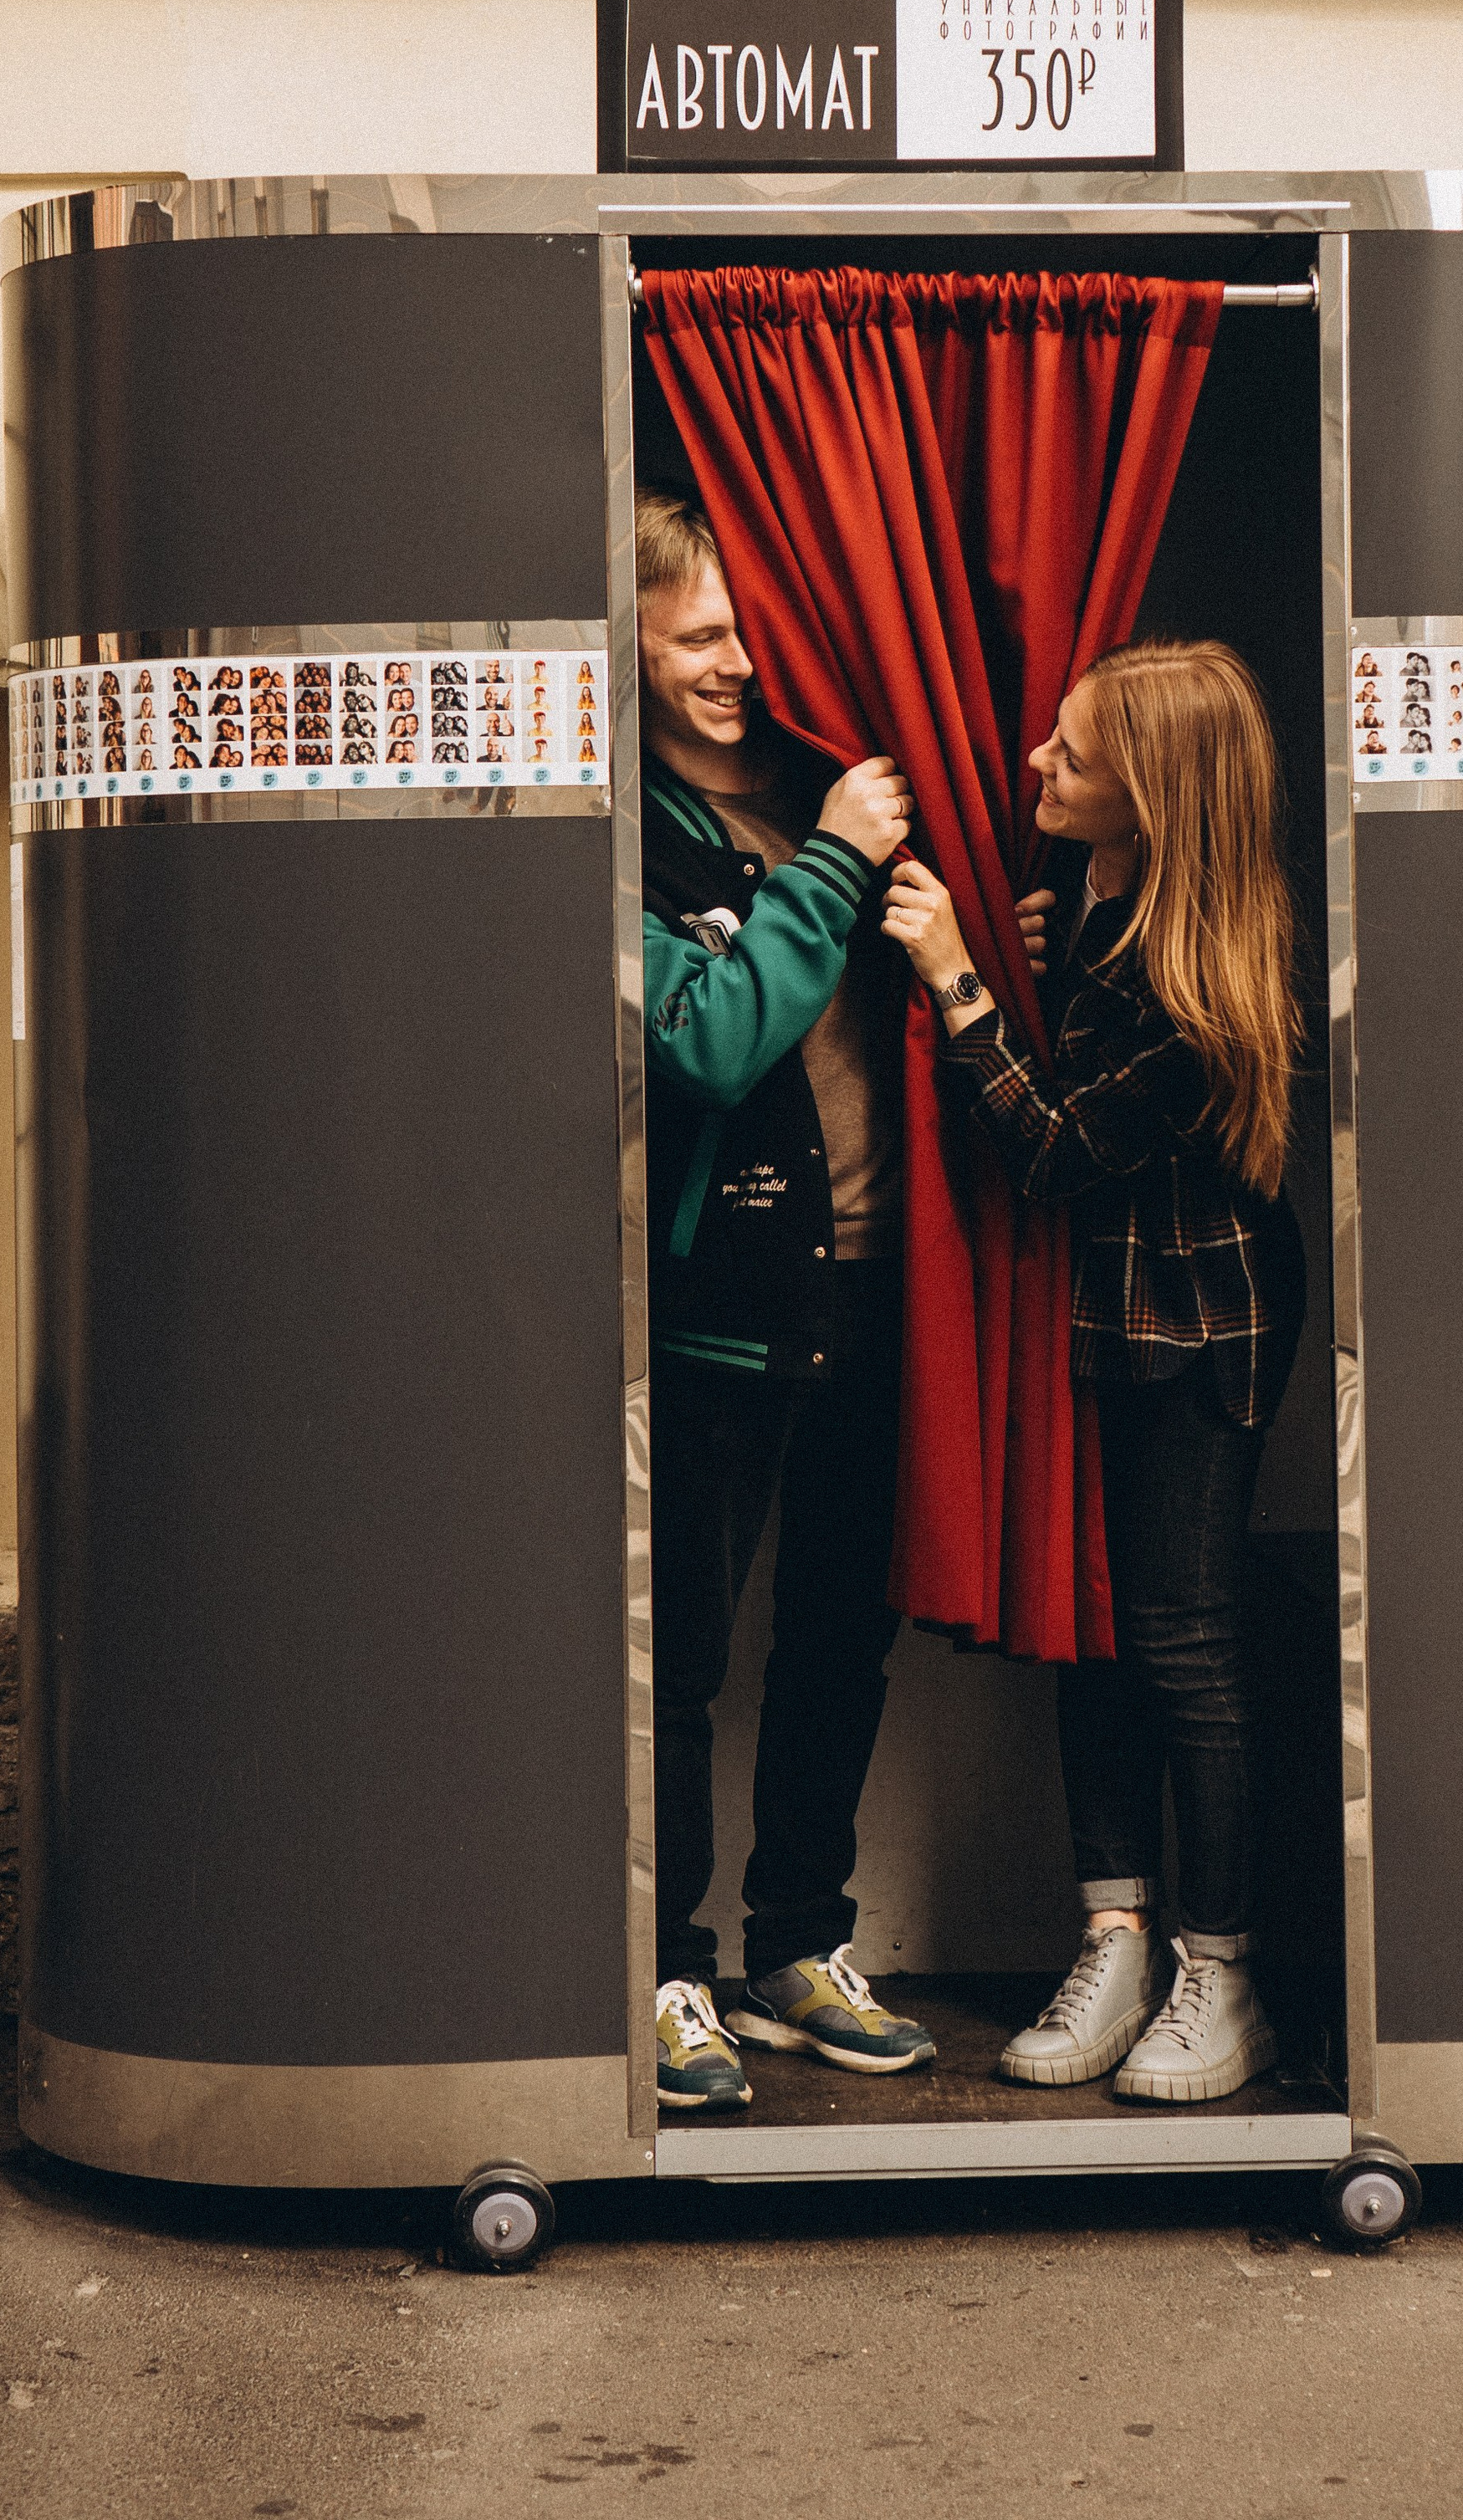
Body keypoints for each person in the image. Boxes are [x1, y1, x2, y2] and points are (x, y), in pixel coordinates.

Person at [882, 639, 1307, 2102]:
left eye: (1071, 757)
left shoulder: (1202, 986)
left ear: (1155, 793)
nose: (1035, 770)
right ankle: (1117, 1936)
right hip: (1113, 1317)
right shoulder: (1113, 912)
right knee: (1099, 1631)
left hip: (1191, 1332)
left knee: (1185, 1644)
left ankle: (1222, 1968)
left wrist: (959, 986)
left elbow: (1056, 1152)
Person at [635, 489, 938, 2113]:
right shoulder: (624, 830)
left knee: (839, 1636)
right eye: (697, 637)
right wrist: (830, 861)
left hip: (885, 1286)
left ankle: (795, 1946)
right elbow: (705, 1040)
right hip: (715, 1308)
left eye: (754, 631)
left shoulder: (859, 774)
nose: (736, 665)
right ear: (622, 634)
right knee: (678, 1651)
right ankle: (664, 1970)